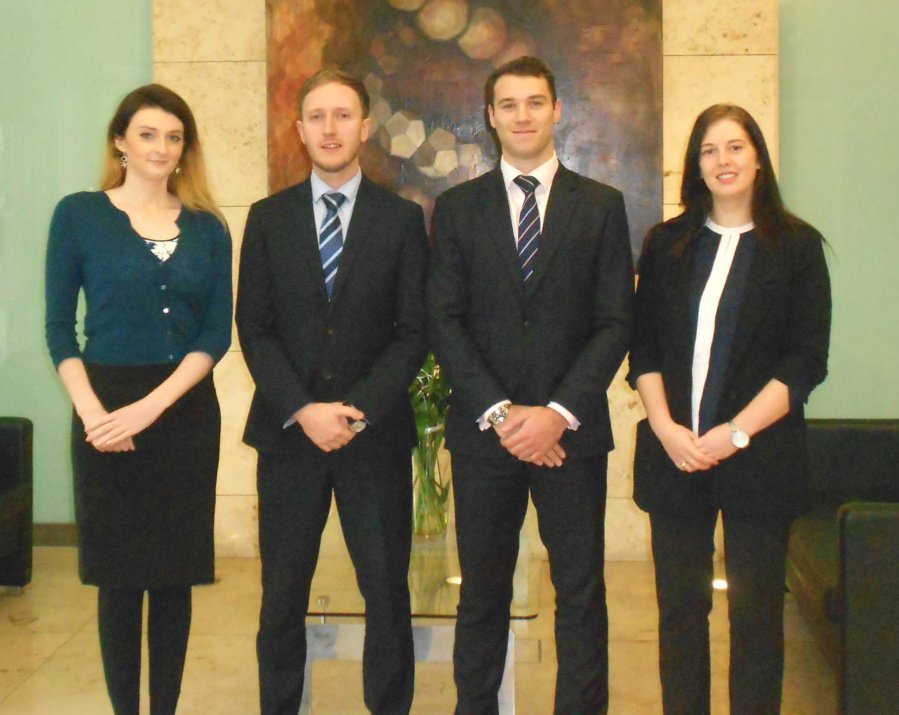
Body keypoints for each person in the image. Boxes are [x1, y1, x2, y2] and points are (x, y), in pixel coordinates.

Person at [428, 55, 634, 714]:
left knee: (580, 592)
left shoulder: (600, 206)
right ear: (490, 116)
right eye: (509, 104)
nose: (522, 115)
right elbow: (444, 319)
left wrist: (555, 413)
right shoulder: (457, 209)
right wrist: (500, 412)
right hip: (484, 437)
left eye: (535, 102)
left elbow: (614, 322)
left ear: (557, 110)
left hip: (570, 437)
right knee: (480, 593)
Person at [236, 68, 428, 715]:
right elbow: (254, 328)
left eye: (343, 115)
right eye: (316, 116)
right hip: (289, 437)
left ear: (365, 127)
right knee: (281, 595)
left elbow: (412, 332)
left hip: (373, 438)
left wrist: (356, 410)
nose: (329, 128)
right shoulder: (267, 219)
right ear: (299, 129)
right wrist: (303, 408)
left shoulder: (402, 220)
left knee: (386, 593)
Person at [628, 104, 832, 715]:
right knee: (681, 614)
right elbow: (644, 348)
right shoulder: (666, 244)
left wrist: (736, 433)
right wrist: (665, 427)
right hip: (676, 456)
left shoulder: (797, 247)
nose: (723, 160)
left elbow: (805, 363)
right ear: (696, 165)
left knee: (757, 616)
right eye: (709, 150)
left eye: (736, 147)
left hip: (760, 458)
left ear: (758, 158)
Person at [44, 84, 233, 715]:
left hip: (184, 411)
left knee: (175, 577)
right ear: (120, 141)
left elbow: (215, 333)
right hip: (103, 407)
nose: (161, 147)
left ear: (185, 149)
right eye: (148, 134)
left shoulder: (209, 227)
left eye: (174, 137)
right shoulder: (79, 215)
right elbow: (58, 328)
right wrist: (95, 415)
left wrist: (153, 407)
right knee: (120, 579)